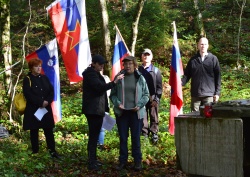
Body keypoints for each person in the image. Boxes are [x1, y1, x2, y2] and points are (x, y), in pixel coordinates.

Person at [82, 54, 124, 171]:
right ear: (93, 63)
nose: (102, 66)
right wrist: (114, 82)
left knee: (95, 135)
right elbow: (99, 87)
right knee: (94, 136)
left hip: (96, 109)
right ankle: (91, 161)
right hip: (93, 110)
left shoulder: (94, 73)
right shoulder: (90, 74)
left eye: (103, 64)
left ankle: (93, 159)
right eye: (99, 64)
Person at [110, 56, 149, 171]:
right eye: (125, 64)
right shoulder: (119, 77)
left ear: (135, 65)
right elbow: (112, 94)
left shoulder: (140, 78)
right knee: (123, 137)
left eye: (130, 64)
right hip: (122, 113)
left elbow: (146, 95)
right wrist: (118, 104)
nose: (127, 66)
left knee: (136, 138)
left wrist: (140, 105)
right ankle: (123, 161)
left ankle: (137, 161)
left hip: (136, 113)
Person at [22, 58, 60, 159]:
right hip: (34, 109)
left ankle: (52, 151)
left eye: (40, 66)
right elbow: (28, 94)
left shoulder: (44, 78)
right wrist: (40, 102)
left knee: (48, 130)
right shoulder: (27, 79)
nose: (39, 68)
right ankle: (35, 152)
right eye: (36, 66)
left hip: (46, 109)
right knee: (34, 131)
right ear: (31, 68)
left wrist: (47, 101)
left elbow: (51, 91)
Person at [182, 37, 221, 111]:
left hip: (209, 95)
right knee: (194, 118)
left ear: (208, 46)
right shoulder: (193, 60)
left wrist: (217, 93)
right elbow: (187, 75)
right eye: (201, 44)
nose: (203, 46)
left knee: (208, 117)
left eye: (205, 44)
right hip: (196, 94)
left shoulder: (213, 59)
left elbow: (218, 77)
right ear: (198, 45)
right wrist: (179, 83)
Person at [138, 48, 162, 144]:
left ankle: (154, 134)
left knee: (154, 116)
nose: (146, 56)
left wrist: (156, 99)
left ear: (151, 57)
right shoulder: (137, 71)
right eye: (144, 55)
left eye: (148, 55)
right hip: (141, 98)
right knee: (142, 117)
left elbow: (159, 87)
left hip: (152, 98)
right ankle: (144, 135)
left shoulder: (156, 71)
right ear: (142, 57)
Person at [97, 71, 111, 150]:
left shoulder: (106, 78)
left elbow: (109, 92)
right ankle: (96, 144)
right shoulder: (93, 78)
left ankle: (101, 144)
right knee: (96, 127)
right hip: (96, 106)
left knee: (103, 127)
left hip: (106, 105)